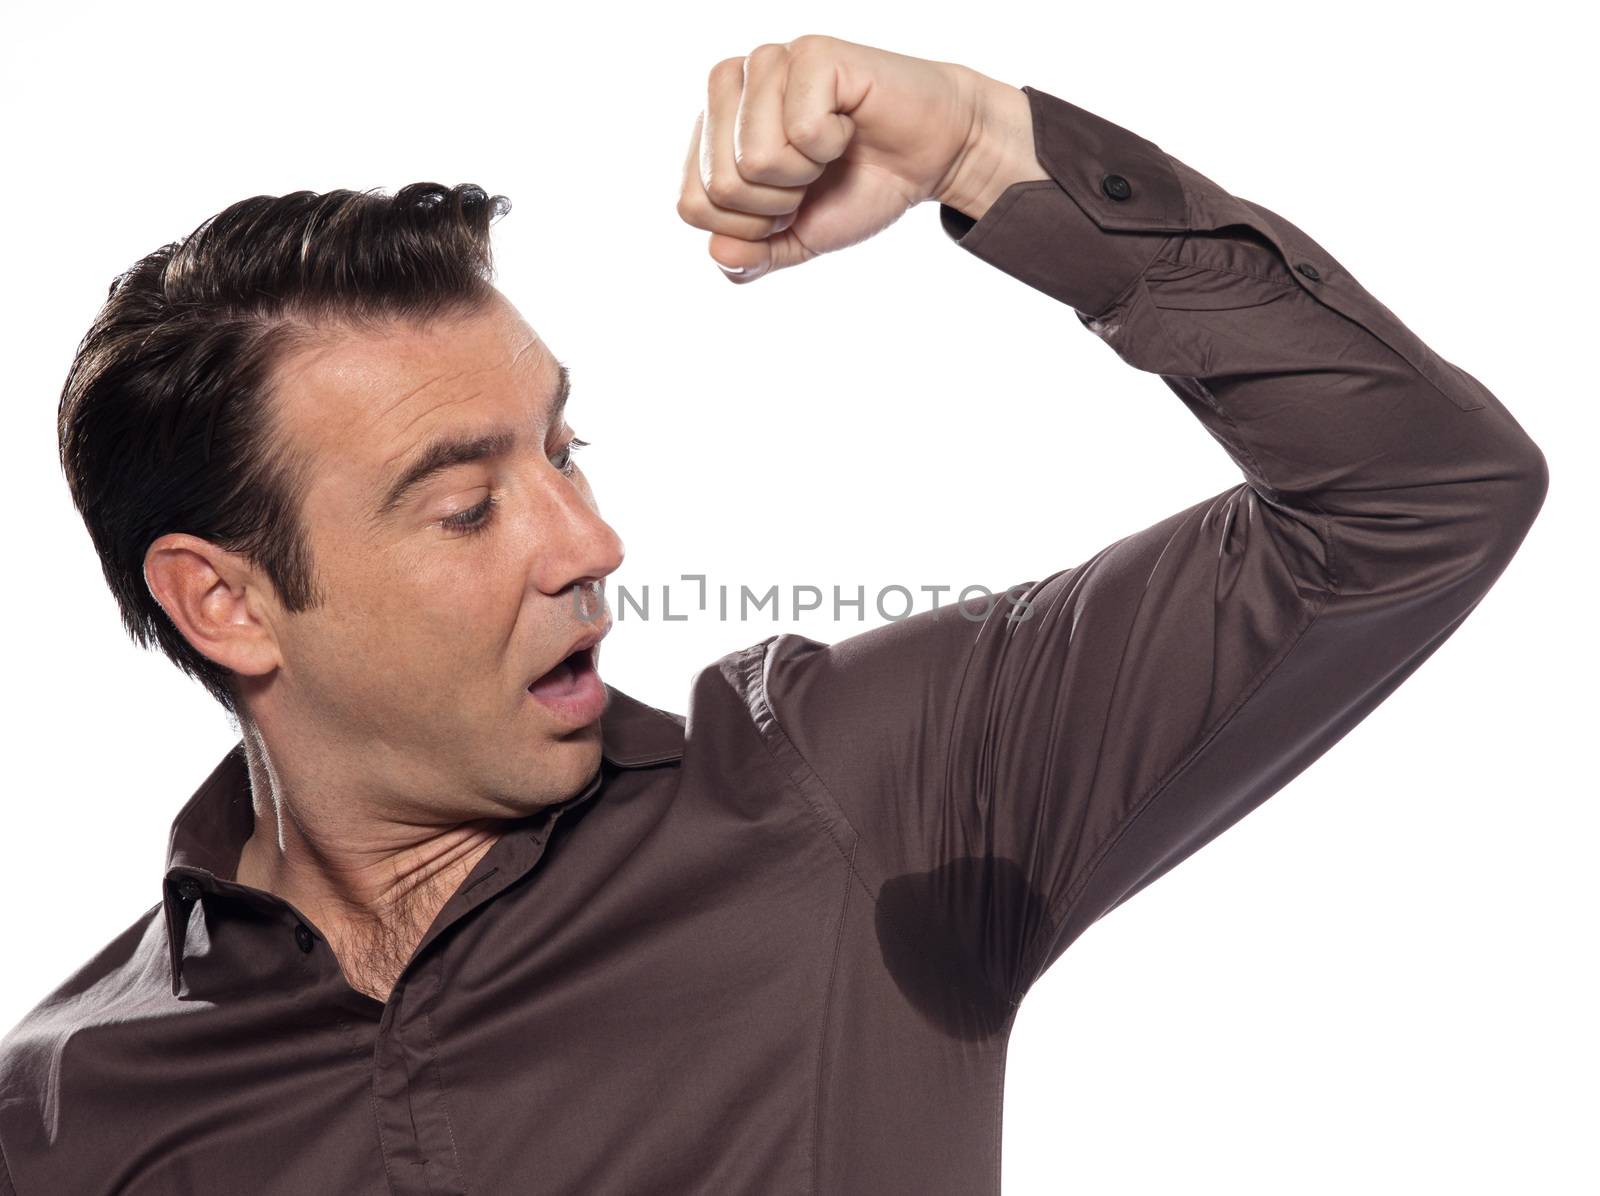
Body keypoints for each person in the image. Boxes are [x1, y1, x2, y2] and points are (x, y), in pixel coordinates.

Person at [0, 33, 1546, 1196]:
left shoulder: (858, 793)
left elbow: (1413, 494)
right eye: (468, 506)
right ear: (226, 602)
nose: (592, 542)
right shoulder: (60, 1113)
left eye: (565, 449)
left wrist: (980, 142)